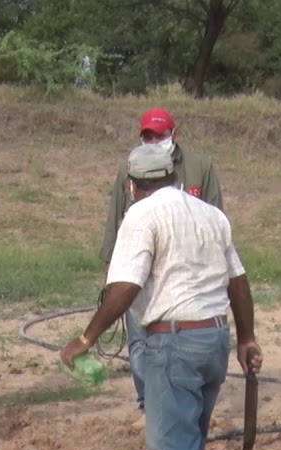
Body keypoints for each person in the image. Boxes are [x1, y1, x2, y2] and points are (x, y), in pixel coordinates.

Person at [62, 144, 261, 450]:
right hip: (214, 340)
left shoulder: (141, 214)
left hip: (174, 343)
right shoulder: (211, 214)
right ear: (171, 175)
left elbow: (126, 287)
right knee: (188, 445)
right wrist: (246, 339)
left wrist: (86, 337)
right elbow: (238, 281)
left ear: (134, 185)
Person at [99, 108, 224, 418]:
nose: (153, 141)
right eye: (147, 136)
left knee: (170, 338)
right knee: (139, 340)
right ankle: (149, 401)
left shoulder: (200, 166)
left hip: (183, 269)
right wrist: (111, 267)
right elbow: (116, 218)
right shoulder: (129, 168)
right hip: (140, 267)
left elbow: (215, 219)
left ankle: (171, 400)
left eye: (159, 135)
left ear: (174, 135)